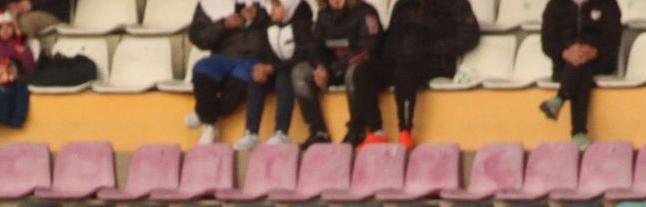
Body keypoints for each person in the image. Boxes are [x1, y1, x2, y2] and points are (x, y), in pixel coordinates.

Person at [345, 0, 479, 148]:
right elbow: (390, 37)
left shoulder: (455, 3)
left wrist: (434, 47)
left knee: (404, 71)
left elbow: (470, 36)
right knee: (363, 72)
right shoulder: (402, 4)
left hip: (434, 60)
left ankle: (405, 131)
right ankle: (376, 131)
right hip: (399, 58)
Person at [185, 0, 310, 148]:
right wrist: (223, 25)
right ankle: (209, 123)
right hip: (223, 55)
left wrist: (257, 15)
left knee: (240, 82)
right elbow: (198, 36)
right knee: (202, 70)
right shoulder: (209, 3)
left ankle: (204, 114)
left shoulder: (265, 3)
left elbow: (281, 18)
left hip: (254, 57)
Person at [290, 0, 380, 148]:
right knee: (299, 72)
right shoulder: (323, 15)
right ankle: (318, 131)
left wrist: (339, 66)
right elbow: (314, 46)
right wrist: (320, 67)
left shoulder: (366, 12)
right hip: (330, 68)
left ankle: (356, 130)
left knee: (355, 73)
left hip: (356, 68)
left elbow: (369, 48)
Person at [538, 0, 622, 149]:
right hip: (564, 64)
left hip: (599, 62)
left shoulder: (607, 3)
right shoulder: (555, 5)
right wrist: (565, 53)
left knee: (581, 66)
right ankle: (578, 133)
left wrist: (594, 51)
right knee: (581, 69)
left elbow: (613, 38)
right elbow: (547, 41)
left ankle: (559, 99)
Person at [0, 0, 70, 51]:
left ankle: (20, 69)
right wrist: (9, 5)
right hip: (15, 10)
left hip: (48, 9)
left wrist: (30, 3)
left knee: (24, 24)